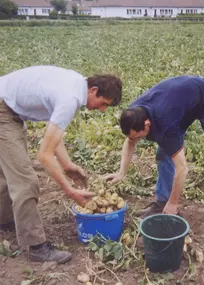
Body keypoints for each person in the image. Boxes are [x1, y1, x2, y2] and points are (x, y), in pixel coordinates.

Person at [0, 65, 122, 263]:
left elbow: (54, 137)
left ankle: (4, 220)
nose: (101, 109)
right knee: (26, 181)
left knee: (7, 170)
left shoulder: (74, 84)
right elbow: (44, 155)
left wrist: (67, 166)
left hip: (9, 108)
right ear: (93, 90)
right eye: (103, 103)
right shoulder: (71, 98)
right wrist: (70, 190)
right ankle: (36, 246)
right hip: (3, 111)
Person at [105, 75, 204, 236]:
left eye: (139, 135)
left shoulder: (165, 122)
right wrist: (122, 172)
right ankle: (162, 201)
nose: (137, 139)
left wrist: (174, 203)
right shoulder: (134, 113)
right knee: (163, 154)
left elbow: (182, 168)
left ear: (147, 124)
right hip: (181, 106)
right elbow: (130, 142)